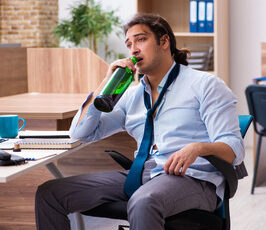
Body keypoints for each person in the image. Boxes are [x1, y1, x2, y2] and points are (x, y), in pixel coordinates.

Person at [35, 13, 244, 230]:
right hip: (144, 174)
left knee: (144, 200)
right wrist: (105, 83)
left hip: (193, 180)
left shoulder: (206, 85)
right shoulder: (131, 96)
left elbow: (235, 148)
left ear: (164, 41)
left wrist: (197, 148)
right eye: (129, 44)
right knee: (50, 193)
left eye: (141, 39)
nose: (133, 49)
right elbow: (81, 133)